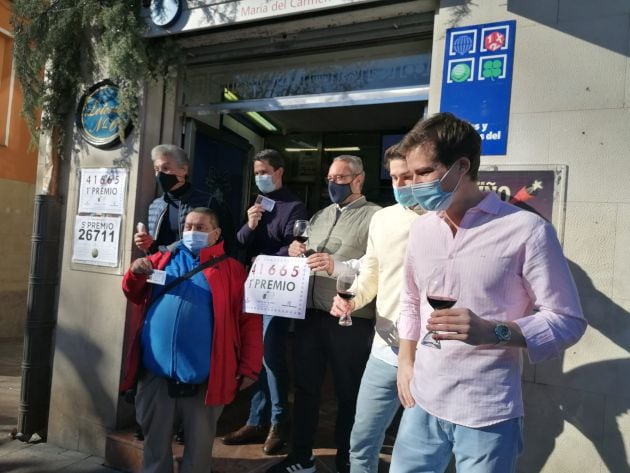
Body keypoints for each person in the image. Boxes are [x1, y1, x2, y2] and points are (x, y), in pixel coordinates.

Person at [391, 112, 587, 473]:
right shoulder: (421, 230)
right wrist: (406, 362)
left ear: (462, 166)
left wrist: (493, 331)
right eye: (411, 173)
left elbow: (568, 320)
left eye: (424, 173)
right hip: (423, 400)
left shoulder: (526, 230)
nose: (413, 184)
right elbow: (411, 300)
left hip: (487, 412)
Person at [121, 207, 263, 473]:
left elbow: (250, 321)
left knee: (198, 455)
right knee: (154, 450)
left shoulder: (233, 270)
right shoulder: (161, 259)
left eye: (200, 228)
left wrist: (249, 366)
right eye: (188, 226)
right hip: (156, 375)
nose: (192, 232)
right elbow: (133, 292)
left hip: (205, 380)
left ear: (216, 234)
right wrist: (135, 272)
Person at [266, 155, 381, 473]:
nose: (333, 184)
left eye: (340, 179)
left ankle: (347, 460)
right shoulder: (320, 215)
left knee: (350, 392)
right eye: (330, 178)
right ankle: (300, 457)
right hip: (310, 314)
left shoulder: (376, 217)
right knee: (305, 389)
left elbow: (377, 267)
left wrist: (334, 268)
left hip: (350, 317)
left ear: (359, 179)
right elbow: (304, 250)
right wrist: (294, 251)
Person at [329, 145, 423, 473]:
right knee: (363, 439)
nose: (400, 184)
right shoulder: (383, 219)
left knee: (416, 453)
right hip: (384, 349)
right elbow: (371, 271)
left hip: (430, 355)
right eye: (395, 177)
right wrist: (353, 300)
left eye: (408, 177)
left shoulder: (447, 219)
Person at [222, 149, 307, 454]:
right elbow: (239, 243)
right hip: (253, 290)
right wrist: (250, 224)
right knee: (254, 356)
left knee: (271, 356)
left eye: (264, 171)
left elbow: (296, 247)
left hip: (278, 291)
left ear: (279, 171)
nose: (259, 177)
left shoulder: (294, 206)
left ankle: (279, 421)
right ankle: (255, 420)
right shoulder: (257, 204)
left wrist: (268, 256)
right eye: (256, 172)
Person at [134, 144, 236, 257]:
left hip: (197, 269)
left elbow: (227, 241)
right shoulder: (155, 205)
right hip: (164, 269)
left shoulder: (208, 202)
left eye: (166, 168)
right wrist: (146, 244)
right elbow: (153, 250)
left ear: (183, 170)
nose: (160, 174)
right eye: (157, 169)